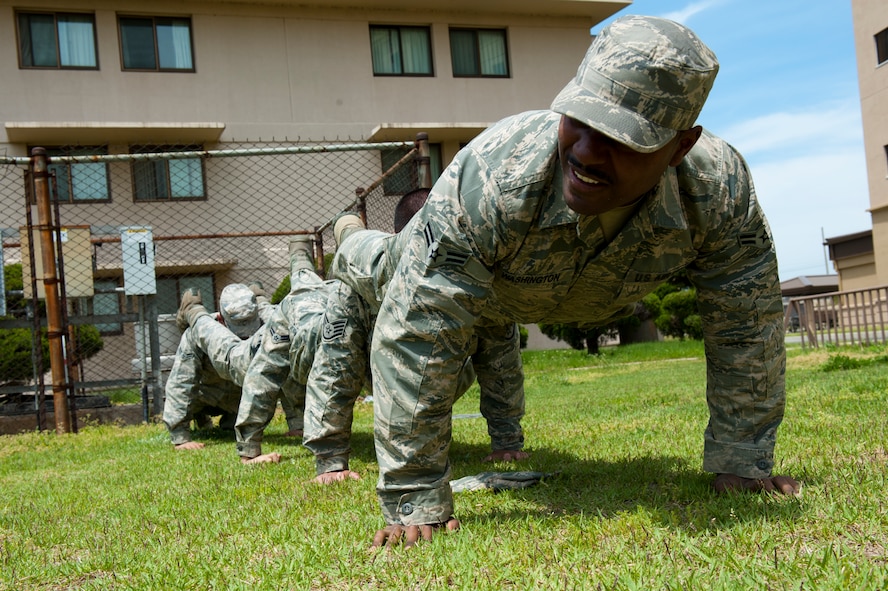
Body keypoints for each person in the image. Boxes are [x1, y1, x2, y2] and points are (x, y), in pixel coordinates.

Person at [329, 15, 799, 547]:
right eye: (580, 119)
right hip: (432, 262)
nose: (587, 152)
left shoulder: (719, 191)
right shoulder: (494, 174)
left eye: (624, 139)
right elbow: (419, 330)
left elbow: (748, 324)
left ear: (679, 148)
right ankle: (348, 234)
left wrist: (743, 459)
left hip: (535, 290)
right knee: (375, 259)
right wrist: (415, 490)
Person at [303, 189, 528, 485]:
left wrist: (506, 442)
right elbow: (335, 368)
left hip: (446, 370)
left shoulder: (473, 266)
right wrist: (331, 461)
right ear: (399, 238)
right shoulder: (362, 279)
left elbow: (501, 358)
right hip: (378, 368)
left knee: (491, 330)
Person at [163, 282, 271, 449]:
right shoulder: (196, 335)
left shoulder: (268, 327)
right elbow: (181, 382)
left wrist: (296, 424)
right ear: (221, 318)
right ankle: (201, 420)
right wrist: (180, 437)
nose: (244, 334)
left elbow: (286, 373)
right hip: (203, 395)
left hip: (239, 396)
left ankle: (231, 422)